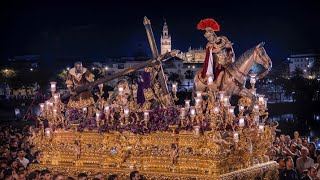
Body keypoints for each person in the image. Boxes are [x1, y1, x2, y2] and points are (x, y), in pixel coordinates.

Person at [197, 18, 235, 88]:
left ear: (213, 34)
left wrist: (230, 48)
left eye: (209, 37)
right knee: (221, 73)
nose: (208, 39)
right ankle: (216, 88)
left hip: (228, 62)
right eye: (207, 38)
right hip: (218, 65)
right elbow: (214, 51)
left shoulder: (223, 38)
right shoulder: (209, 44)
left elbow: (229, 48)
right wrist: (224, 47)